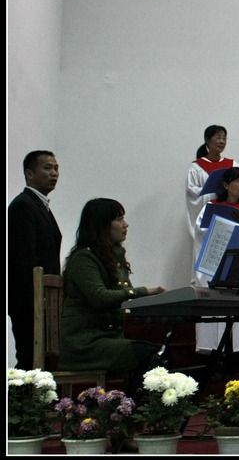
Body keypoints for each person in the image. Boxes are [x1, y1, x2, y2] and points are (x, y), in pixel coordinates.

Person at [59, 199, 165, 391]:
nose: (125, 224)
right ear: (101, 225)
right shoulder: (84, 258)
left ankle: (131, 405)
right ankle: (133, 406)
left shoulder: (113, 257)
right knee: (150, 355)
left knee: (160, 353)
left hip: (109, 338)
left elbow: (124, 298)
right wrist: (145, 291)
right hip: (85, 345)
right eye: (119, 219)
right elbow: (100, 297)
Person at [193, 167, 239, 356]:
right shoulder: (211, 206)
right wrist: (225, 223)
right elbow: (200, 231)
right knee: (217, 305)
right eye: (238, 180)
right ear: (226, 185)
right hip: (218, 260)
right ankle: (215, 351)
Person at [8, 151, 63, 368]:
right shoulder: (23, 205)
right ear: (29, 174)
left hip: (44, 299)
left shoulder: (40, 206)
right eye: (47, 168)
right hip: (29, 301)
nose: (54, 173)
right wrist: (36, 300)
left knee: (42, 362)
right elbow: (23, 259)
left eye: (56, 168)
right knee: (30, 361)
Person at [185, 125, 235, 249]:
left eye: (224, 138)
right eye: (218, 138)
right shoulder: (196, 167)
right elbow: (192, 193)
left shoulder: (232, 165)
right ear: (207, 140)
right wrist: (212, 193)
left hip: (228, 215)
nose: (222, 141)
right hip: (208, 217)